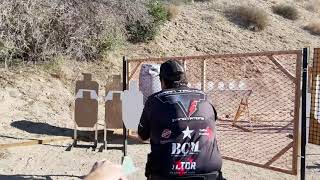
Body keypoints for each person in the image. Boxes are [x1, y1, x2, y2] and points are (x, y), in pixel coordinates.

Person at [138, 60, 224, 180]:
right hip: (210, 171)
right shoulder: (204, 96)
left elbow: (142, 135)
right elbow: (213, 120)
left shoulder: (154, 100)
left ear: (162, 80)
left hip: (167, 172)